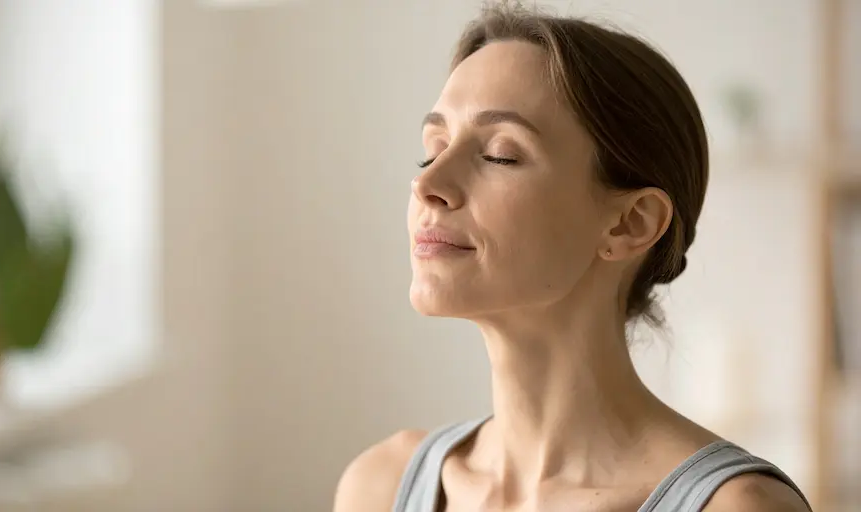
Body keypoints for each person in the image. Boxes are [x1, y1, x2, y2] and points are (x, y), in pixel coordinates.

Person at [334, 2, 812, 511]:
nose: (427, 183)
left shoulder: (737, 507)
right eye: (433, 148)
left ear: (631, 223)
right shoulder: (381, 488)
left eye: (500, 153)